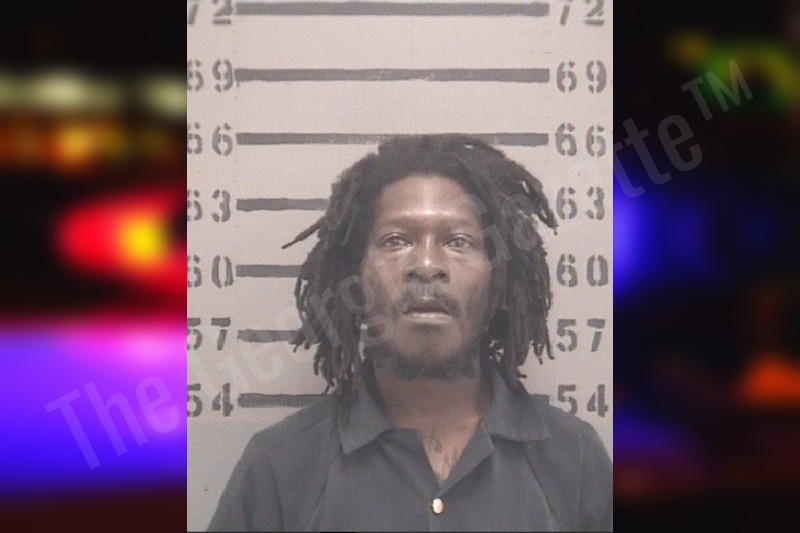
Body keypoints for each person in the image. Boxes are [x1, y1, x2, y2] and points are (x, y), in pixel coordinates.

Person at [208, 134, 612, 531]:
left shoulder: (574, 462)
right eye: (396, 241)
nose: (427, 265)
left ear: (498, 280)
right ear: (355, 279)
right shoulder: (281, 467)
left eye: (458, 241)